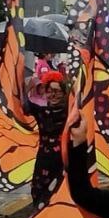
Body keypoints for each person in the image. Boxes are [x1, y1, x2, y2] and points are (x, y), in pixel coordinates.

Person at [25, 70, 70, 206]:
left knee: (60, 193)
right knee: (38, 191)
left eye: (57, 91)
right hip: (44, 159)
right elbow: (22, 105)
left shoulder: (70, 112)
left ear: (64, 93)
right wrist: (27, 88)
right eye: (50, 91)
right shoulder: (41, 112)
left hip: (63, 160)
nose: (53, 95)